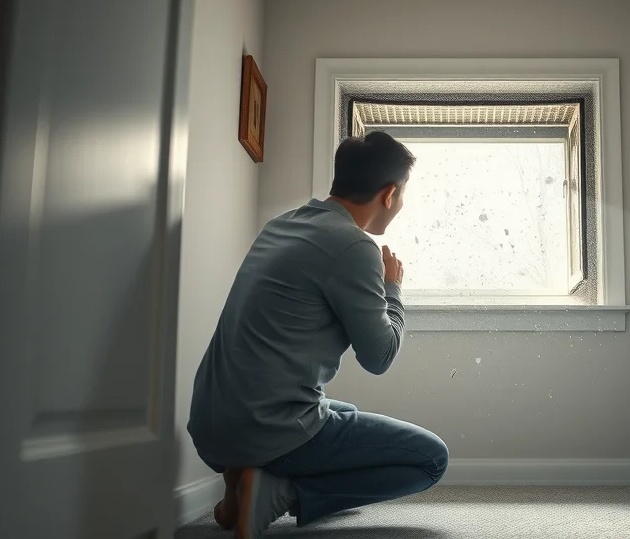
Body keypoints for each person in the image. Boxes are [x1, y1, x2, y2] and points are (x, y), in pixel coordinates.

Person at [187, 131, 448, 538]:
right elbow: (379, 357)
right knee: (430, 458)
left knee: (344, 413)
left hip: (211, 420)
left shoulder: (281, 225)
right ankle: (278, 493)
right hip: (264, 425)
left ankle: (239, 483)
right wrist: (393, 288)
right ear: (389, 194)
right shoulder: (354, 246)